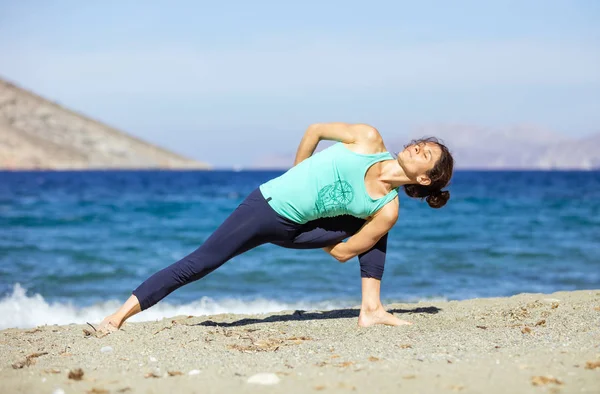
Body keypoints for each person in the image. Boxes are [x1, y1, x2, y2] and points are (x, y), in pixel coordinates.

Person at [96, 122, 454, 335]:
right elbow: (315, 131)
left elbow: (345, 252)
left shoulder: (388, 208)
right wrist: (297, 172)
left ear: (423, 179)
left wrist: (330, 235)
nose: (419, 147)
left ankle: (371, 309)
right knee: (201, 262)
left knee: (381, 220)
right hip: (264, 209)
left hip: (300, 233)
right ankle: (117, 317)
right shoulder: (368, 139)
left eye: (426, 155)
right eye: (421, 144)